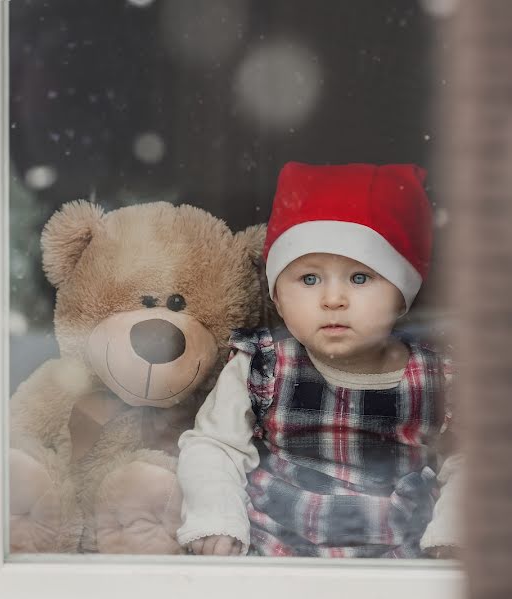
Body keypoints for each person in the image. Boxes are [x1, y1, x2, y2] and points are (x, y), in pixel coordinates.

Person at [177, 162, 460, 558]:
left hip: (396, 561)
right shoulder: (263, 365)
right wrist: (218, 519)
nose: (333, 299)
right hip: (277, 553)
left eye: (360, 278)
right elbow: (214, 446)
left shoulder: (436, 379)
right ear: (277, 296)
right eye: (309, 279)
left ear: (402, 295)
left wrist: (455, 535)